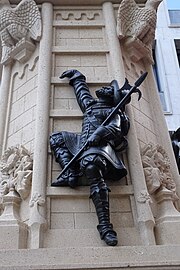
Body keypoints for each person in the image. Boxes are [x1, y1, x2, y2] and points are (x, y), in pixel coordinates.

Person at [50, 69, 131, 246]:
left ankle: (105, 226)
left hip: (100, 147)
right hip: (81, 142)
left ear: (113, 98)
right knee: (56, 138)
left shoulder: (113, 111)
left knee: (92, 166)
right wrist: (77, 77)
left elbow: (115, 130)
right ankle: (70, 174)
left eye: (110, 90)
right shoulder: (91, 106)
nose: (105, 88)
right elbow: (82, 93)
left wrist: (99, 133)